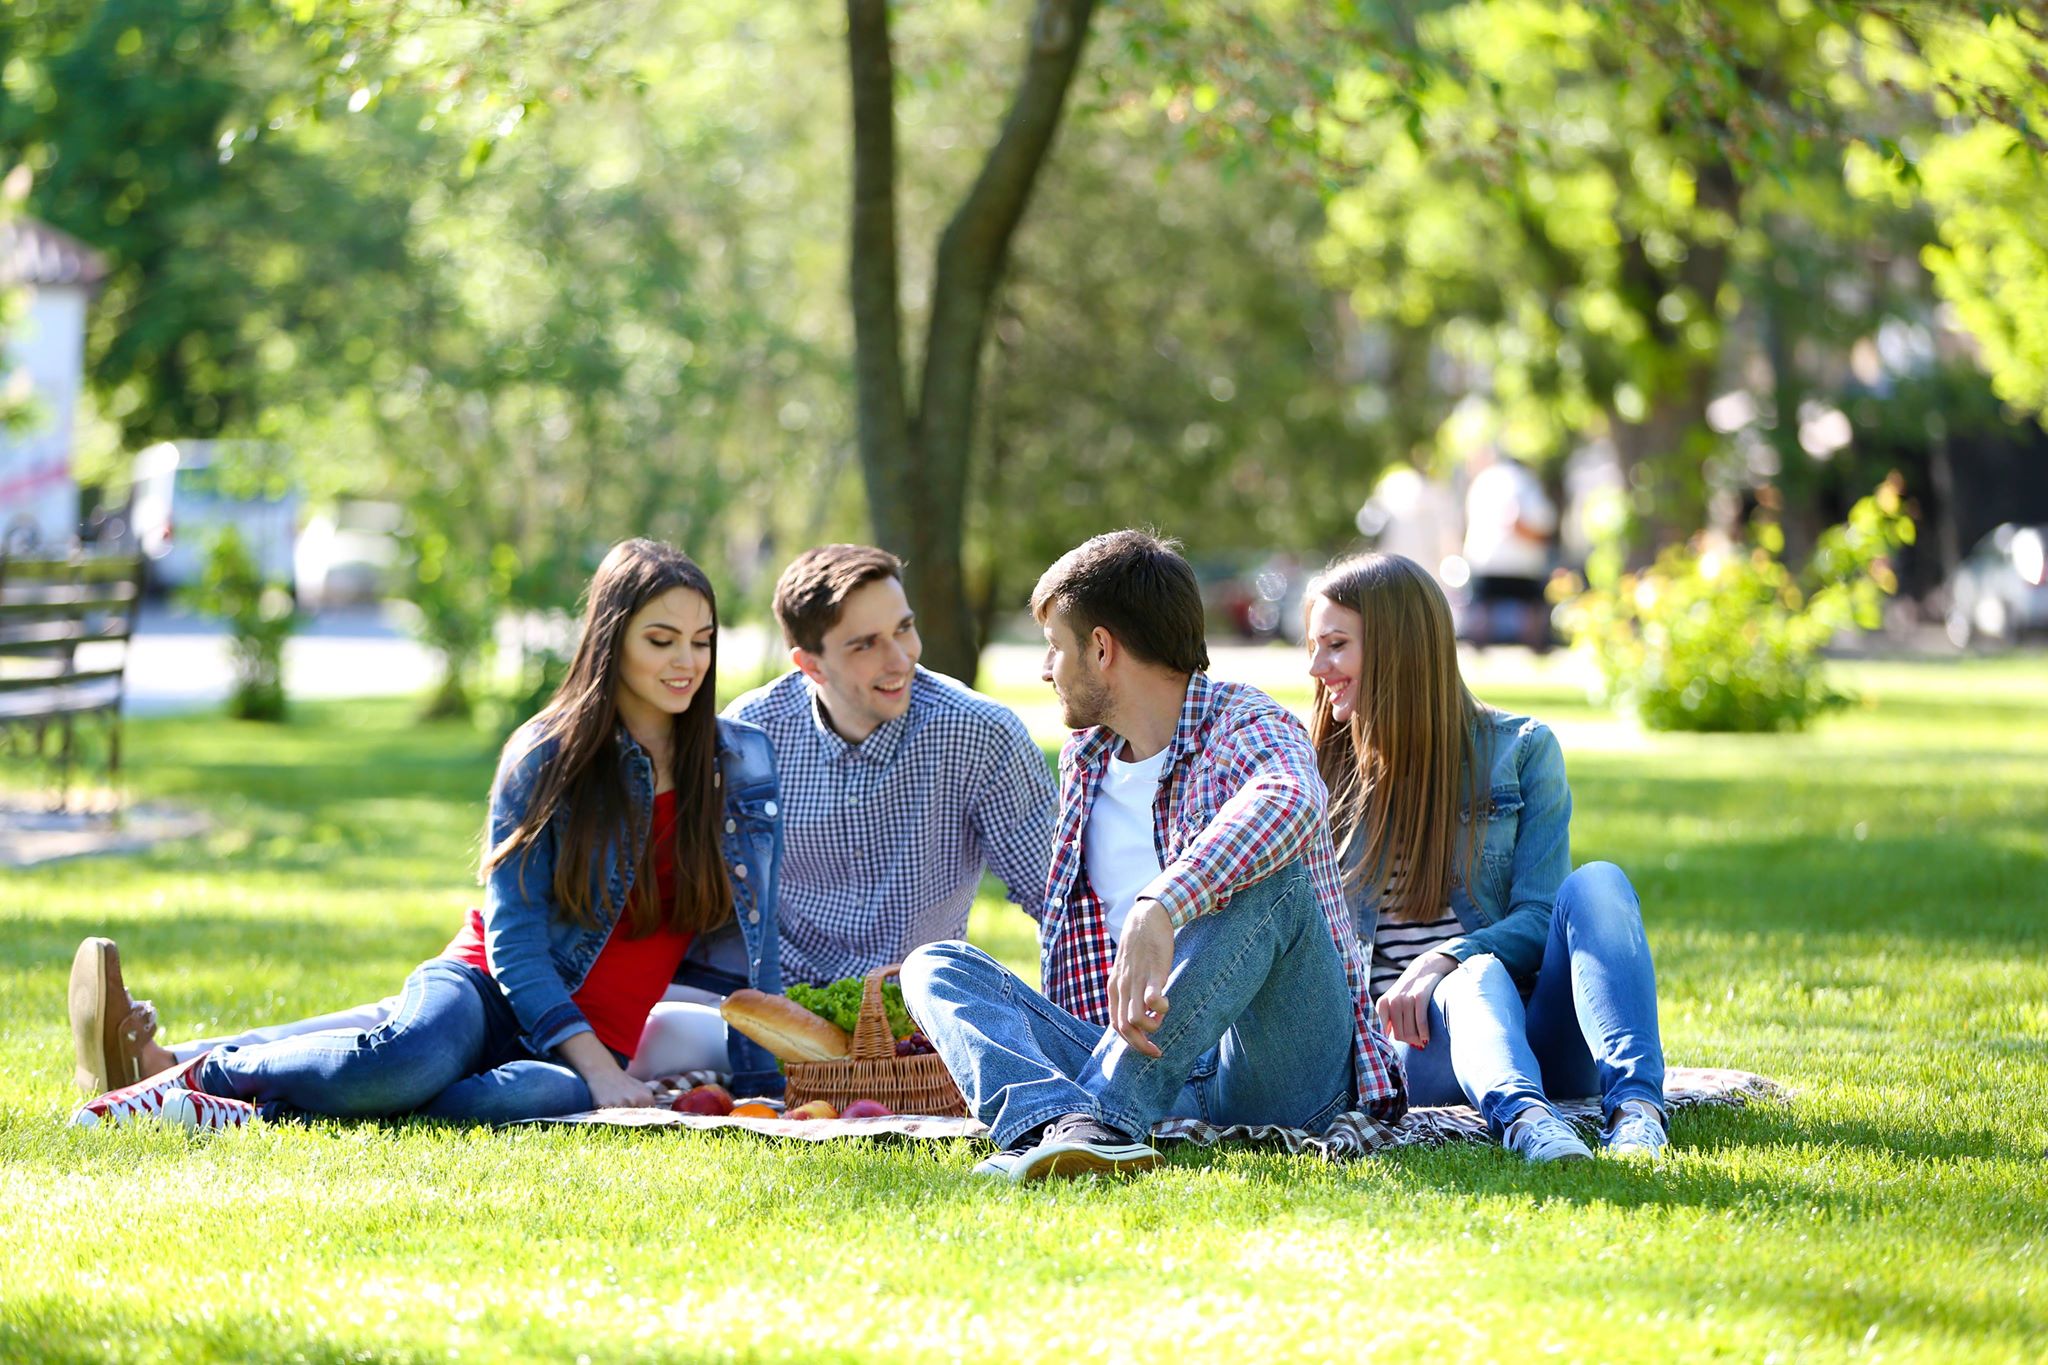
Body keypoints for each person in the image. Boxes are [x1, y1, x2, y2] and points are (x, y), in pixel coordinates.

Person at [68, 543, 1053, 1095]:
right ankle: (184, 1070)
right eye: (865, 643)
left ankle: (189, 1066)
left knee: (457, 1060)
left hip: (801, 1020)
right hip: (634, 999)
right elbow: (531, 940)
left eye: (905, 629)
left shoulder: (777, 753)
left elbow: (1055, 891)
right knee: (425, 1037)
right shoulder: (732, 739)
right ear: (807, 663)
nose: (898, 659)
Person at [69, 539, 783, 1129]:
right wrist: (600, 1069)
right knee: (408, 1060)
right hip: (483, 992)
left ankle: (228, 1104)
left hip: (576, 1057)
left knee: (512, 1101)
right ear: (611, 640)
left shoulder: (739, 764)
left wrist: (768, 1090)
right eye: (661, 640)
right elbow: (514, 942)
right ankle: (205, 1074)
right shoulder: (547, 755)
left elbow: (759, 944)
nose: (687, 663)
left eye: (701, 642)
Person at [901, 530, 1406, 1182]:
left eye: (1055, 646)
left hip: (1276, 1067)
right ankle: (1052, 1126)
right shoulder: (1085, 761)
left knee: (1270, 877)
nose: (1046, 669)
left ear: (1101, 647)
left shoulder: (1244, 721)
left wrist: (1161, 904)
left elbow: (1290, 803)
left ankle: (1104, 1121)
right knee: (935, 967)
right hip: (1147, 1062)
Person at [1303, 551, 1667, 1161]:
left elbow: (1539, 916)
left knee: (1598, 883)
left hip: (1540, 1029)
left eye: (1336, 646)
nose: (1317, 668)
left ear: (1399, 647)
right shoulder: (1320, 768)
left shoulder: (1521, 750)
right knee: (1475, 977)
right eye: (1314, 647)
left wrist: (1444, 956)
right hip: (1418, 1051)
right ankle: (1526, 1120)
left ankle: (1637, 1114)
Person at [1459, 446, 1557, 649]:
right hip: (1523, 563)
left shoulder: (1482, 481)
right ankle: (1536, 645)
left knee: (1482, 609)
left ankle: (1477, 647)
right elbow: (1531, 522)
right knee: (1532, 608)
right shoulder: (1525, 481)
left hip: (1484, 560)